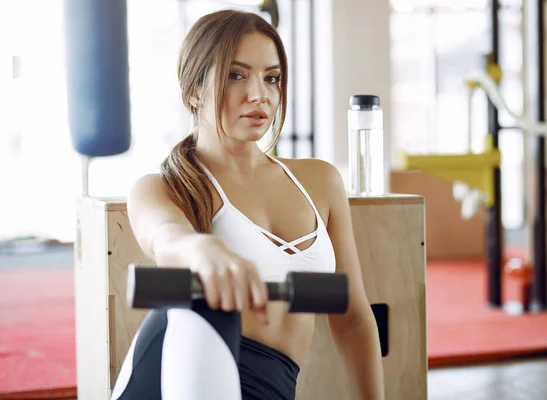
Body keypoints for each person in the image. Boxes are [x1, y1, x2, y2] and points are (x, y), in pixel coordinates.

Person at [110, 8, 385, 400]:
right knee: (198, 316)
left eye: (272, 78)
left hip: (272, 386)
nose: (260, 94)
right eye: (236, 75)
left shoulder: (320, 181)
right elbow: (167, 236)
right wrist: (202, 249)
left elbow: (354, 318)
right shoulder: (165, 188)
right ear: (194, 89)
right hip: (177, 377)